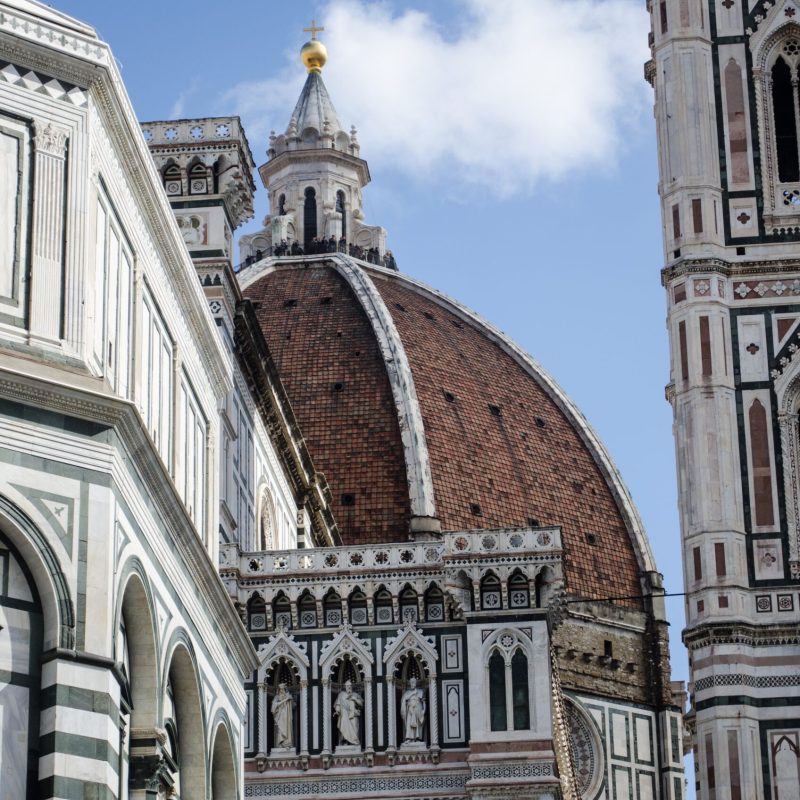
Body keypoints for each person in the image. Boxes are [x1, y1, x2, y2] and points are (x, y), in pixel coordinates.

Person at [333, 679, 363, 746]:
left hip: (353, 715)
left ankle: (354, 743)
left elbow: (361, 704)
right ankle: (345, 742)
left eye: (350, 686)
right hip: (344, 715)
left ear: (352, 687)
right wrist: (337, 711)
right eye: (347, 686)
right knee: (344, 728)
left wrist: (354, 699)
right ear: (345, 687)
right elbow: (338, 704)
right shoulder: (341, 695)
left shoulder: (356, 695)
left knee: (355, 729)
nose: (349, 687)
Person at [400, 677, 426, 742]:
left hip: (418, 708)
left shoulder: (420, 691)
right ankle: (409, 738)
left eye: (413, 682)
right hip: (410, 709)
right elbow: (404, 700)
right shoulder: (407, 692)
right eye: (411, 682)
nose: (412, 684)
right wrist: (413, 693)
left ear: (416, 683)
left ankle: (417, 738)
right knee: (409, 723)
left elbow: (423, 702)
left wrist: (424, 710)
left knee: (418, 723)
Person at [271, 683, 293, 748]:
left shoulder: (287, 695)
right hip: (279, 715)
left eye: (283, 689)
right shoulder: (277, 697)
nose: (282, 691)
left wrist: (290, 700)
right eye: (280, 689)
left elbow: (293, 705)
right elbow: (274, 706)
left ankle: (287, 743)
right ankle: (280, 743)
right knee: (280, 728)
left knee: (287, 727)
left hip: (286, 714)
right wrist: (285, 700)